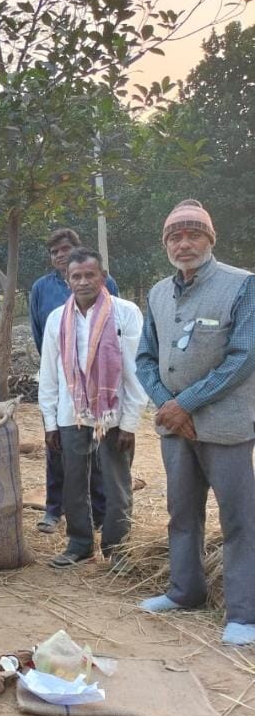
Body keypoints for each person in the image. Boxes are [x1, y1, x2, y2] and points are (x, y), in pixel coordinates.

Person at [135, 200, 255, 647]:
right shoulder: (157, 293)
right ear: (166, 243)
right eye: (175, 236)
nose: (183, 244)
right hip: (175, 428)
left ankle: (244, 614)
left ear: (210, 239)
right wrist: (167, 405)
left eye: (193, 234)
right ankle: (185, 591)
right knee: (182, 512)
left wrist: (185, 404)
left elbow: (243, 357)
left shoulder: (242, 285)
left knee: (239, 518)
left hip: (226, 426)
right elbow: (145, 357)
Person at [38, 248, 147, 570]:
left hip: (113, 415)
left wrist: (130, 422)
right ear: (67, 280)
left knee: (116, 484)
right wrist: (49, 423)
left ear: (103, 277)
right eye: (76, 276)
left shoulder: (125, 313)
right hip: (70, 413)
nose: (83, 281)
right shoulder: (57, 319)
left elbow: (135, 371)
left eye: (90, 275)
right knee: (73, 482)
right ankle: (80, 544)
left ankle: (117, 549)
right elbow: (49, 373)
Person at [30, 228, 119, 535]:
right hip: (60, 381)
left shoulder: (104, 283)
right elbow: (40, 334)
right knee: (57, 445)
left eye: (65, 249)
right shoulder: (41, 288)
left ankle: (100, 511)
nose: (60, 255)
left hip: (99, 383)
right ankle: (54, 509)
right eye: (54, 252)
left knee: (98, 448)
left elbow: (112, 328)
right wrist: (62, 369)